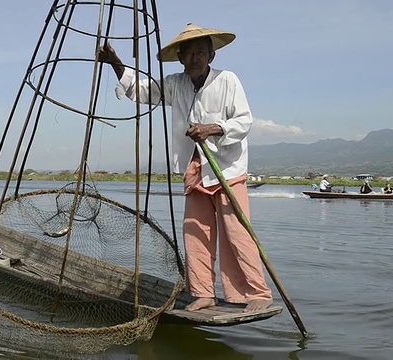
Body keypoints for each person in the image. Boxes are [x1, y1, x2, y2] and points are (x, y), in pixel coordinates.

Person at [98, 23, 272, 312]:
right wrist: (115, 62)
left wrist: (213, 128)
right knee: (195, 233)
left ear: (211, 56)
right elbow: (143, 91)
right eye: (189, 54)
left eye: (201, 53)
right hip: (194, 170)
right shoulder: (175, 84)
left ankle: (256, 294)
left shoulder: (227, 80)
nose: (195, 59)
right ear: (180, 58)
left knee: (237, 234)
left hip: (225, 169)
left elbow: (244, 121)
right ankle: (203, 293)